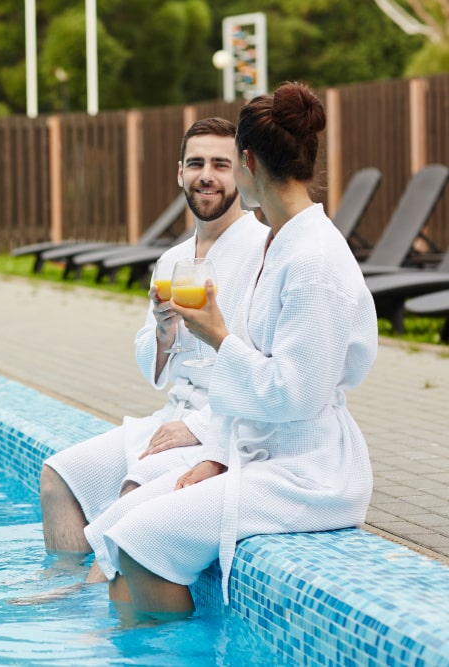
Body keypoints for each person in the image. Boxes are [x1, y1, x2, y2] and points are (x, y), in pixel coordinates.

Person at [99, 82, 378, 620]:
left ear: (247, 162)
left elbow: (297, 395)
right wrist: (218, 454)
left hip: (311, 472)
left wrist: (217, 337)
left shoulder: (314, 261)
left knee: (141, 543)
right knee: (117, 534)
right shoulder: (281, 241)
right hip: (255, 449)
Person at [39, 117, 270, 583]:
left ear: (242, 173)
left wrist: (199, 428)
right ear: (179, 173)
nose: (207, 175)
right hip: (171, 416)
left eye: (221, 164)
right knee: (58, 477)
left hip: (225, 427)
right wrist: (164, 336)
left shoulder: (262, 251)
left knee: (132, 493)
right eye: (196, 163)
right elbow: (154, 367)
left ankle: (83, 610)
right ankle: (61, 581)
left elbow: (266, 371)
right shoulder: (172, 259)